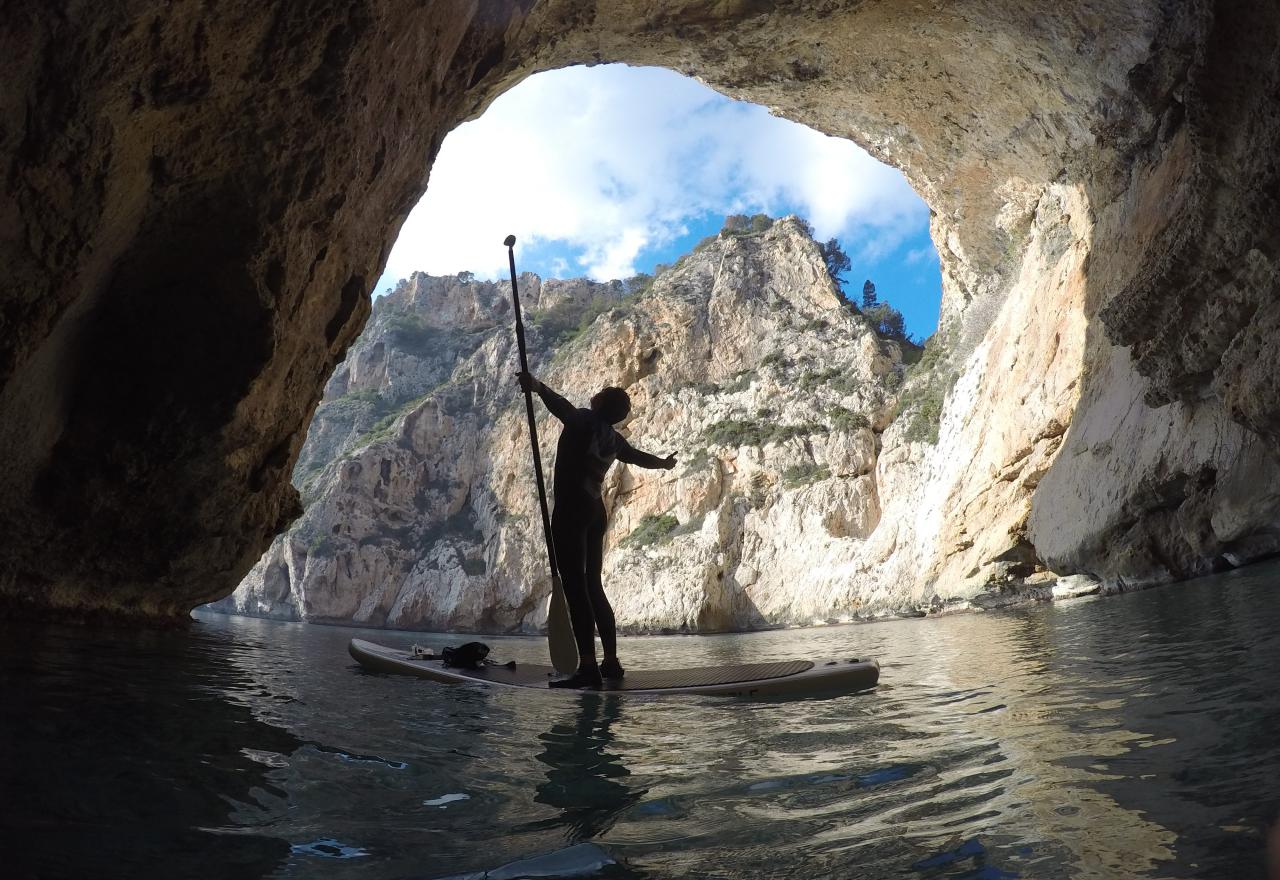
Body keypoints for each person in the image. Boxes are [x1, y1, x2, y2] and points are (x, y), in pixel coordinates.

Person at [517, 371, 676, 689]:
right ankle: (611, 663)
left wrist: (537, 387)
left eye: (602, 392)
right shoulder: (613, 439)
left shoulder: (585, 420)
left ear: (600, 402)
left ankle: (588, 668)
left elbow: (561, 407)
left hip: (572, 511)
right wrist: (663, 463)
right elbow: (637, 458)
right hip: (595, 511)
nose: (597, 393)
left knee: (576, 588)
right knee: (593, 586)